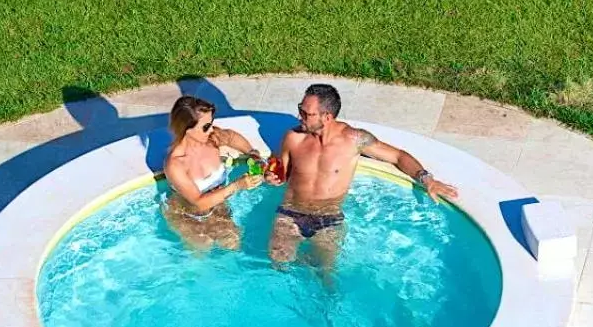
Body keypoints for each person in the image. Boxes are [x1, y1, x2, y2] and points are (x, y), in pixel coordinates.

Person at [266, 83, 459, 270]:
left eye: (306, 113)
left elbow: (398, 156)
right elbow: (280, 169)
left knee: (325, 277)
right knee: (278, 265)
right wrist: (271, 175)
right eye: (300, 109)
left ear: (327, 117)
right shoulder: (293, 137)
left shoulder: (354, 139)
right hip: (290, 215)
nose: (300, 117)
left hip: (328, 219)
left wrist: (427, 179)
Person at [162, 95, 262, 251]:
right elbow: (199, 201)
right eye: (205, 126)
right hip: (187, 215)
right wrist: (237, 185)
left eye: (211, 124)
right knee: (202, 248)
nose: (211, 129)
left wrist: (252, 153)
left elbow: (231, 137)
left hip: (217, 207)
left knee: (232, 243)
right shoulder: (176, 164)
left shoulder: (211, 138)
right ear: (186, 129)